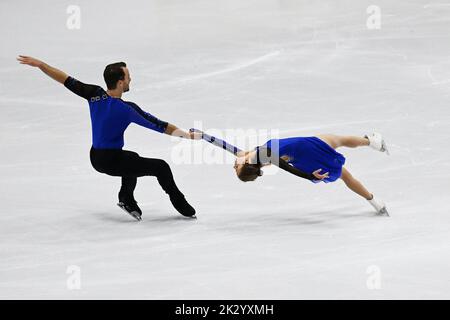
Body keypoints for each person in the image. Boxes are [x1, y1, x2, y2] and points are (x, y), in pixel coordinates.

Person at [17, 55, 201, 221]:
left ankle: (126, 198)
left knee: (132, 159)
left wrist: (41, 65)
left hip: (96, 156)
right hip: (111, 161)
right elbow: (159, 125)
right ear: (120, 82)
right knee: (161, 166)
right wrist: (186, 135)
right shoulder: (126, 108)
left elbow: (66, 80)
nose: (130, 80)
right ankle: (181, 205)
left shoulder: (94, 94)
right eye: (128, 77)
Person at [233, 133, 389, 215]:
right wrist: (309, 176)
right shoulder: (259, 155)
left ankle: (376, 203)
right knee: (340, 140)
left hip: (304, 159)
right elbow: (284, 165)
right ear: (246, 164)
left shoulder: (257, 160)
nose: (234, 165)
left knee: (345, 176)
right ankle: (372, 142)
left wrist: (206, 135)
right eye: (237, 167)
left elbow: (225, 145)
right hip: (307, 147)